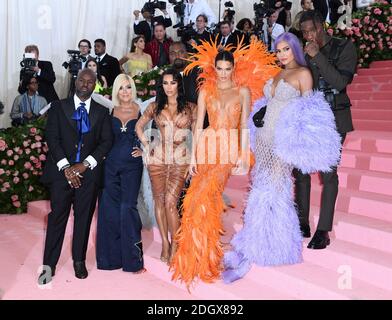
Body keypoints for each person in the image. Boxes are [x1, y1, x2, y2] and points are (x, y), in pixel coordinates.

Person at [222, 32, 342, 283]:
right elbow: (270, 103)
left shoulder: (303, 74)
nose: (282, 54)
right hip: (264, 138)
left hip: (282, 142)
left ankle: (276, 246)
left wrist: (303, 147)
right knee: (261, 188)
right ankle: (258, 237)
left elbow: (309, 113)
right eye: (278, 50)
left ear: (295, 50)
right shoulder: (277, 74)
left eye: (286, 49)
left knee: (275, 190)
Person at [169, 39, 279, 289]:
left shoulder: (243, 91)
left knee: (207, 195)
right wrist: (193, 157)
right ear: (214, 69)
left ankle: (206, 257)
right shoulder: (206, 90)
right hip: (207, 144)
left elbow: (243, 125)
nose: (223, 73)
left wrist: (242, 155)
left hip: (228, 147)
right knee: (195, 199)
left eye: (227, 69)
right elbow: (198, 126)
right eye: (219, 68)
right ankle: (195, 257)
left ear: (233, 69)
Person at [38, 69, 113, 285]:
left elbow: (106, 142)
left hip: (88, 175)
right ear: (76, 81)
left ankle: (79, 260)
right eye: (82, 80)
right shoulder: (59, 107)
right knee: (57, 219)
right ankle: (48, 265)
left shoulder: (101, 111)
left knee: (83, 219)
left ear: (95, 85)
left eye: (90, 82)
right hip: (62, 174)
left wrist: (84, 165)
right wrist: (67, 168)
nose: (85, 84)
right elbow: (52, 138)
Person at [295, 10, 357, 249]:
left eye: (312, 29)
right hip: (309, 118)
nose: (309, 35)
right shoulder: (303, 51)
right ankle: (302, 222)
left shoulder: (344, 47)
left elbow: (341, 83)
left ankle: (323, 230)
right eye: (305, 32)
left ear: (323, 26)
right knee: (300, 170)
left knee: (328, 173)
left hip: (333, 120)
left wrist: (318, 56)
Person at [135, 69, 196, 265]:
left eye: (172, 83)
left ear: (179, 84)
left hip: (181, 159)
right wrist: (147, 146)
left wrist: (193, 160)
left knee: (171, 202)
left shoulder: (191, 108)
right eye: (165, 83)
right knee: (159, 202)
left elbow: (197, 137)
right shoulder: (154, 106)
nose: (169, 87)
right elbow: (138, 126)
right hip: (158, 159)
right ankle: (165, 244)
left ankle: (176, 244)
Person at [96, 74, 146, 274]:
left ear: (132, 89)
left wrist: (145, 149)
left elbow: (151, 133)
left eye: (128, 87)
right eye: (121, 88)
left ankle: (133, 261)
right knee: (108, 210)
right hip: (110, 166)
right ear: (116, 91)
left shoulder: (140, 109)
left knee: (128, 207)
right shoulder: (110, 110)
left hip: (132, 166)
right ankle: (109, 260)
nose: (125, 92)